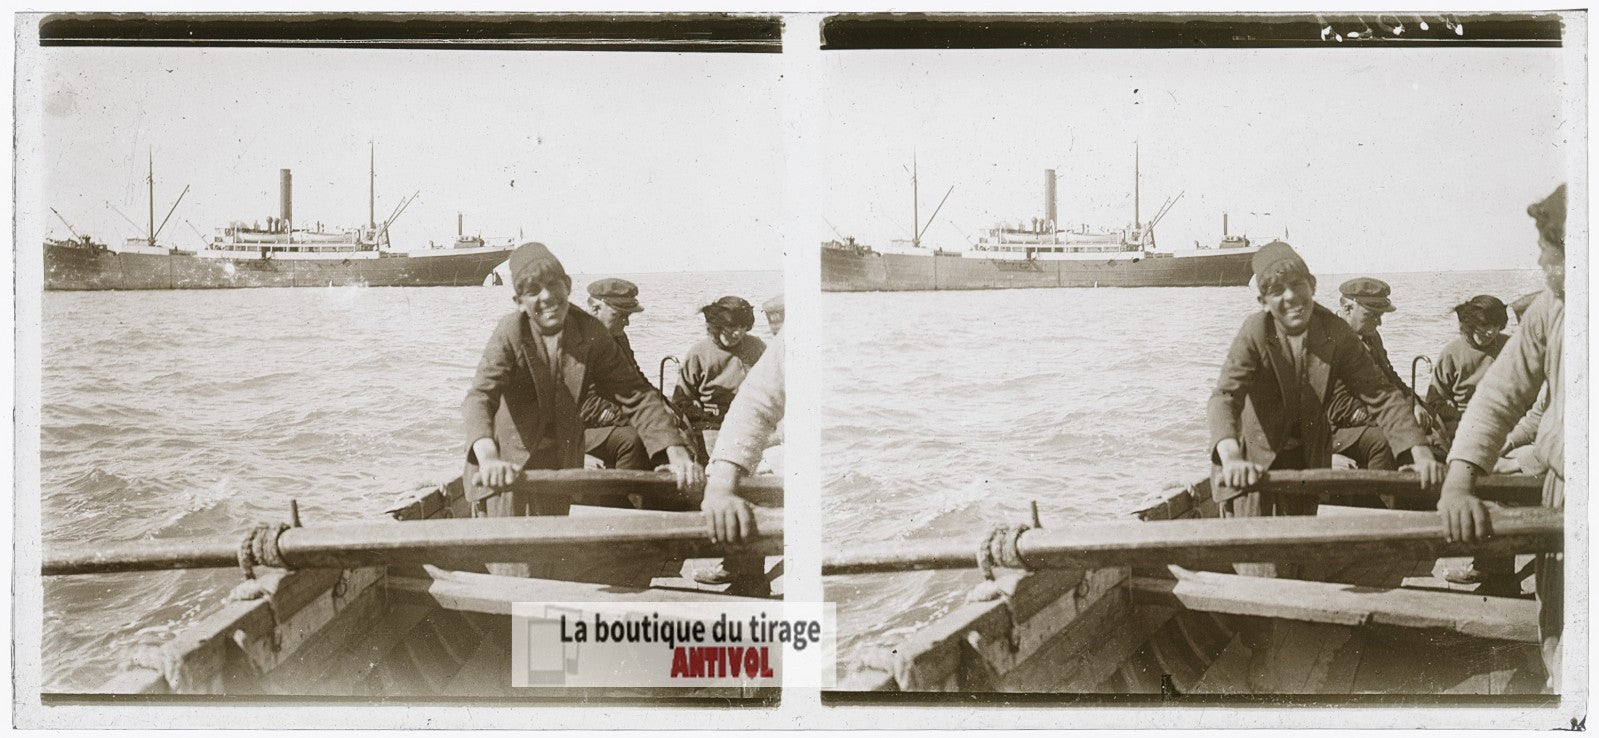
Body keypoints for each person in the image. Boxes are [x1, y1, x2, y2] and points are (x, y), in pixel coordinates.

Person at [462, 243, 705, 577]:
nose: (546, 297)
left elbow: (634, 393)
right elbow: (480, 398)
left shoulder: (589, 331)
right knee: (514, 573)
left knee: (551, 565)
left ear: (569, 286)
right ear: (518, 301)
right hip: (507, 469)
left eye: (554, 286)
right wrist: (488, 458)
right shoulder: (510, 332)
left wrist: (676, 453)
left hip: (559, 468)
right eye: (532, 291)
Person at [1209, 241, 1442, 578]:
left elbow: (1380, 393)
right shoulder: (1255, 332)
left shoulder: (1335, 331)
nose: (1290, 297)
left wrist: (1418, 451)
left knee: (1297, 558)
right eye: (1276, 291)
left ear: (1313, 286)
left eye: (1297, 285)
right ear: (1263, 301)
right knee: (1258, 569)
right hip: (1251, 463)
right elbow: (1225, 397)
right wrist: (1230, 455)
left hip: (1305, 464)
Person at [1438, 184, 1565, 690]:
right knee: (1560, 631)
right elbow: (1501, 395)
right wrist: (1460, 480)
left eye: (1546, 249)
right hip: (1564, 490)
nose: (1538, 258)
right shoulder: (1551, 308)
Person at [696, 339, 785, 596]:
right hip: (727, 429)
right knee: (745, 484)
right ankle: (747, 574)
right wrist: (722, 483)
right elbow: (757, 403)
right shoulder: (701, 353)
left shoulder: (757, 346)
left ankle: (750, 574)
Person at [1324, 277, 1414, 475]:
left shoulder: (1371, 336)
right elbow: (1341, 407)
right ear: (1348, 309)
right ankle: (1377, 503)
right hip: (1331, 428)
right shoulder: (1329, 341)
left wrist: (1414, 404)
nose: (1379, 322)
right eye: (1372, 315)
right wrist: (1392, 420)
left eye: (1380, 315)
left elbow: (1390, 377)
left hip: (1364, 417)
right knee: (1383, 441)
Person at [578, 277, 657, 473]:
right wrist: (635, 417)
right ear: (595, 309)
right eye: (620, 315)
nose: (627, 322)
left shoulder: (617, 337)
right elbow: (585, 405)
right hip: (578, 429)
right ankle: (621, 500)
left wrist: (662, 406)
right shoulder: (577, 343)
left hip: (611, 420)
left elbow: (637, 379)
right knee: (633, 441)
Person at [1425, 295, 1511, 444]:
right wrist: (1464, 416)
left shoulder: (1510, 346)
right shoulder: (1452, 353)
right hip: (1466, 421)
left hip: (1507, 417)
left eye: (1496, 326)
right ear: (1470, 325)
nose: (1491, 332)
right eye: (1485, 325)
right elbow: (1434, 402)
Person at [671, 296, 768, 424]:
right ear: (718, 326)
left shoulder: (756, 346)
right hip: (711, 422)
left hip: (750, 418)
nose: (737, 333)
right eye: (732, 326)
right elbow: (680, 402)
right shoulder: (699, 353)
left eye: (742, 326)